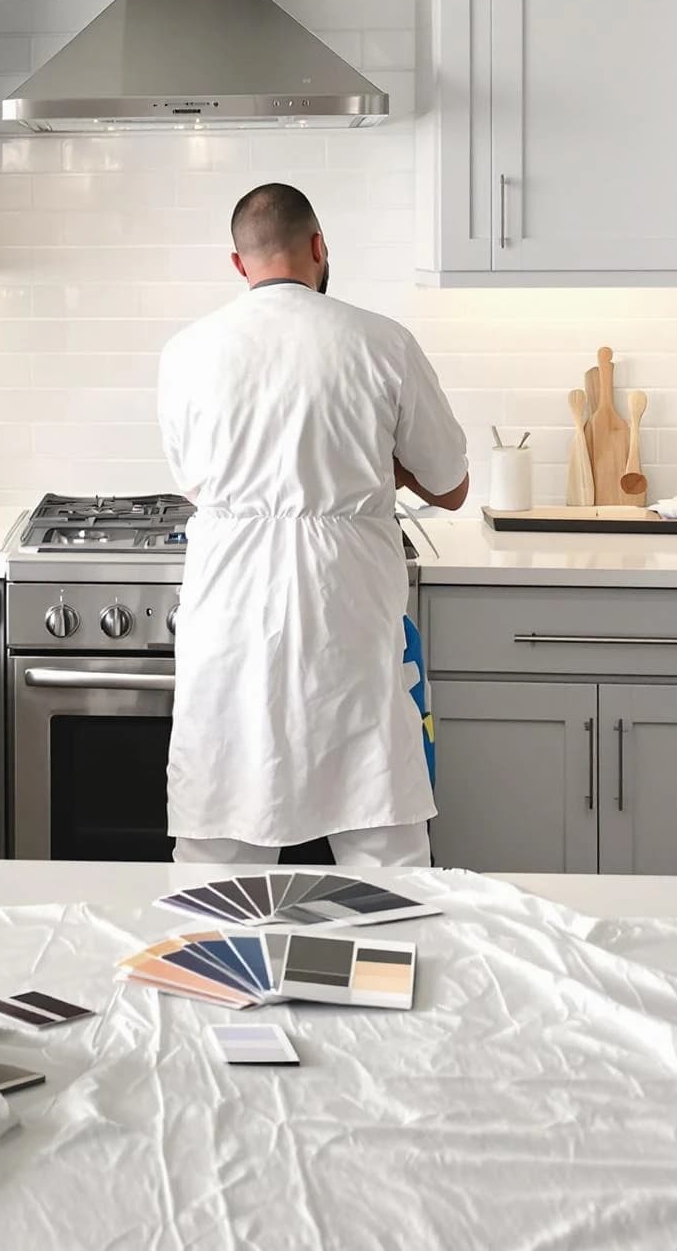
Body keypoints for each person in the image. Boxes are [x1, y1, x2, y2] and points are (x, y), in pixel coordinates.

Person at [156, 181, 470, 867]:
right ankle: (393, 963)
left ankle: (207, 970)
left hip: (230, 600)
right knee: (379, 834)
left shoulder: (186, 352)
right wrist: (388, 465)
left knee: (221, 833)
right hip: (345, 601)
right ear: (320, 247)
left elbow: (195, 480)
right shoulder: (383, 342)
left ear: (239, 264)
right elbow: (451, 487)